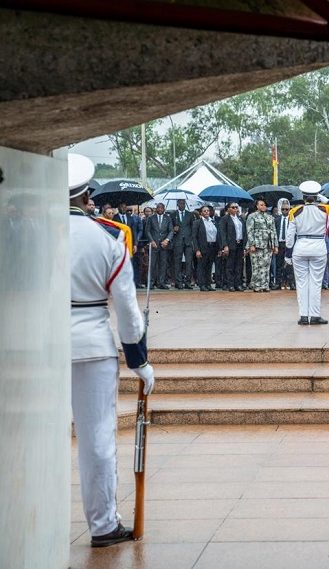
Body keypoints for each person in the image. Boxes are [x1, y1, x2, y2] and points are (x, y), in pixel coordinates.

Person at [67, 154, 155, 548]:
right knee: (97, 439)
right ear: (87, 195)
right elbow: (126, 309)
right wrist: (139, 359)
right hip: (91, 342)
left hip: (35, 344)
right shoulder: (108, 237)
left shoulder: (25, 230)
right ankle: (102, 525)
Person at [285, 181, 329, 324]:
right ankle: (315, 314)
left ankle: (304, 316)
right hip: (318, 246)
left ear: (303, 196)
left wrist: (288, 254)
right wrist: (328, 200)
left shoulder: (295, 211)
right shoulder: (325, 209)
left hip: (300, 246)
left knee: (301, 283)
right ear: (317, 196)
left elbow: (289, 236)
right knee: (316, 282)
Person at [246, 198, 278, 292]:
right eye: (261, 205)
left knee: (266, 266)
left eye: (264, 205)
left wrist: (275, 245)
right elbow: (250, 231)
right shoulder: (252, 216)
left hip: (268, 244)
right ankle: (256, 285)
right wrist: (252, 244)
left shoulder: (270, 217)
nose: (263, 206)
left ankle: (265, 285)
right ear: (257, 206)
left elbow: (274, 231)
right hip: (257, 244)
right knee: (256, 265)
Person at [218, 202, 247, 291]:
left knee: (239, 265)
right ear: (228, 209)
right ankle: (230, 284)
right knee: (230, 265)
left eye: (236, 207)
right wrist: (225, 245)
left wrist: (245, 246)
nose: (235, 209)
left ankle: (238, 283)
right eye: (233, 207)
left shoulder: (240, 218)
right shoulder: (225, 219)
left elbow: (244, 232)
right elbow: (222, 233)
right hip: (231, 244)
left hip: (240, 244)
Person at [145, 202, 173, 288]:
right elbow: (147, 231)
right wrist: (152, 241)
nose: (160, 209)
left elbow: (171, 231)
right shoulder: (151, 218)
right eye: (158, 208)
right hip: (154, 245)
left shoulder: (168, 218)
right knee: (152, 264)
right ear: (156, 209)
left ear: (164, 209)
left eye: (162, 208)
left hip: (164, 245)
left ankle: (161, 283)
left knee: (163, 264)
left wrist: (167, 240)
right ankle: (151, 283)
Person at [170, 199, 196, 289]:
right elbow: (170, 228)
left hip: (188, 241)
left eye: (183, 203)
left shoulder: (190, 214)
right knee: (177, 262)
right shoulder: (173, 215)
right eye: (180, 203)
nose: (182, 205)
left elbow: (193, 228)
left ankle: (188, 282)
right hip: (178, 241)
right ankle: (178, 282)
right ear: (177, 204)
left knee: (189, 262)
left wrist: (192, 239)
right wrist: (174, 229)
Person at [193, 205, 219, 291]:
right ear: (201, 213)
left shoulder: (213, 221)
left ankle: (208, 284)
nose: (207, 212)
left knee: (209, 266)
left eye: (208, 211)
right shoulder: (197, 222)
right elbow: (194, 237)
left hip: (212, 246)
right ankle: (202, 284)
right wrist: (197, 250)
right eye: (204, 211)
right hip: (203, 246)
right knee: (202, 266)